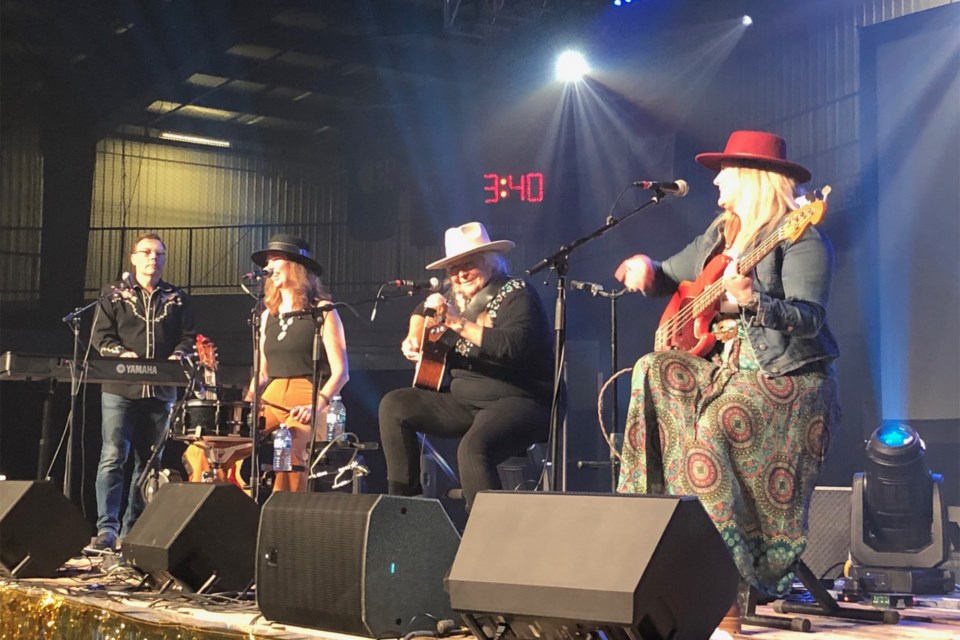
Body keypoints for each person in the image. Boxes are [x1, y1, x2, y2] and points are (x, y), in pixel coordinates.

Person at [613, 131, 840, 631]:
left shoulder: (799, 235)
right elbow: (672, 275)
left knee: (710, 436)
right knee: (652, 369)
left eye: (724, 170)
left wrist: (754, 300)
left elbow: (810, 318)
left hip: (788, 379)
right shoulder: (722, 230)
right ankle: (648, 551)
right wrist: (646, 268)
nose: (715, 179)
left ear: (752, 178)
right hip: (727, 372)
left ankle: (724, 605)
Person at [379, 222, 553, 512]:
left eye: (467, 265)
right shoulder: (453, 298)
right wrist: (412, 337)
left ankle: (488, 538)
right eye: (453, 269)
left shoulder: (516, 293)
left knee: (473, 449)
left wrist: (456, 322)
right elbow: (421, 311)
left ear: (490, 262)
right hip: (464, 400)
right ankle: (406, 511)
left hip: (518, 400)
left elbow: (511, 346)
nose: (459, 275)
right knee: (395, 405)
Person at [92, 232, 197, 551]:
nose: (154, 258)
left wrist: (178, 355)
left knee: (149, 462)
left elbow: (188, 337)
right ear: (133, 258)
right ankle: (106, 529)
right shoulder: (113, 294)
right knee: (113, 455)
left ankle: (132, 529)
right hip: (120, 388)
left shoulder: (176, 297)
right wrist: (121, 354)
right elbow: (100, 337)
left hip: (162, 391)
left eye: (160, 254)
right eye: (148, 252)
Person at [246, 234, 349, 493]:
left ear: (295, 266)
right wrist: (246, 405)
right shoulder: (267, 315)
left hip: (308, 394)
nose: (267, 268)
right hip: (271, 397)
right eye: (267, 262)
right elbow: (262, 373)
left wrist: (317, 404)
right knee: (222, 441)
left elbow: (342, 372)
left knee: (289, 443)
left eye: (275, 259)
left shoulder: (323, 310)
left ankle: (284, 517)